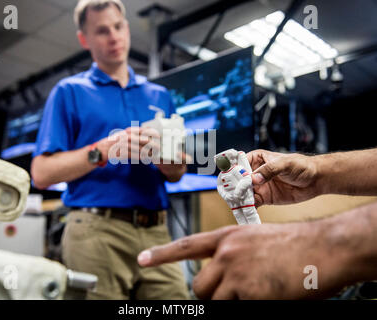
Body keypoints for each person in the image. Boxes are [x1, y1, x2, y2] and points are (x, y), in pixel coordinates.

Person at [31, 0, 189, 300]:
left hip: (156, 230)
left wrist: (169, 160)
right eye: (102, 31)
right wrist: (102, 150)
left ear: (127, 29)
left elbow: (177, 173)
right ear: (84, 39)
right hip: (95, 231)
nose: (114, 37)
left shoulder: (160, 95)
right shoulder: (69, 92)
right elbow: (41, 174)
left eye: (118, 27)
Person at [138, 148, 377, 299]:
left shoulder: (239, 171)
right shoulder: (223, 176)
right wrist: (318, 171)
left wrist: (318, 244)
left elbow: (243, 182)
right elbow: (225, 189)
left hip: (246, 200)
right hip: (239, 202)